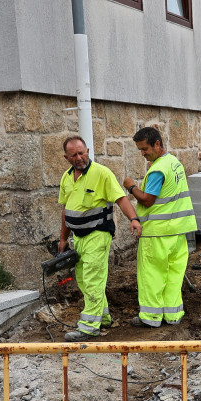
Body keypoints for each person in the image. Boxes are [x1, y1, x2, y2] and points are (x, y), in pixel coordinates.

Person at [58, 136, 142, 342]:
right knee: (84, 279)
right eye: (74, 155)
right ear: (66, 157)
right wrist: (63, 239)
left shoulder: (102, 173)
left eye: (82, 152)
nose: (80, 157)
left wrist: (134, 219)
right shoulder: (66, 178)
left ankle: (89, 327)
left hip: (98, 234)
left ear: (87, 150)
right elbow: (66, 211)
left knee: (93, 278)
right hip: (78, 238)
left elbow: (121, 199)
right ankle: (102, 316)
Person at [123, 127, 196, 327]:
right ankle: (173, 315)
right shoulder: (175, 163)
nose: (143, 153)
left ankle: (151, 317)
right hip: (177, 232)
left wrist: (131, 186)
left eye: (145, 149)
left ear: (157, 144)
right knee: (174, 275)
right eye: (140, 150)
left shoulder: (157, 170)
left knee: (152, 276)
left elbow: (147, 200)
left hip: (157, 234)